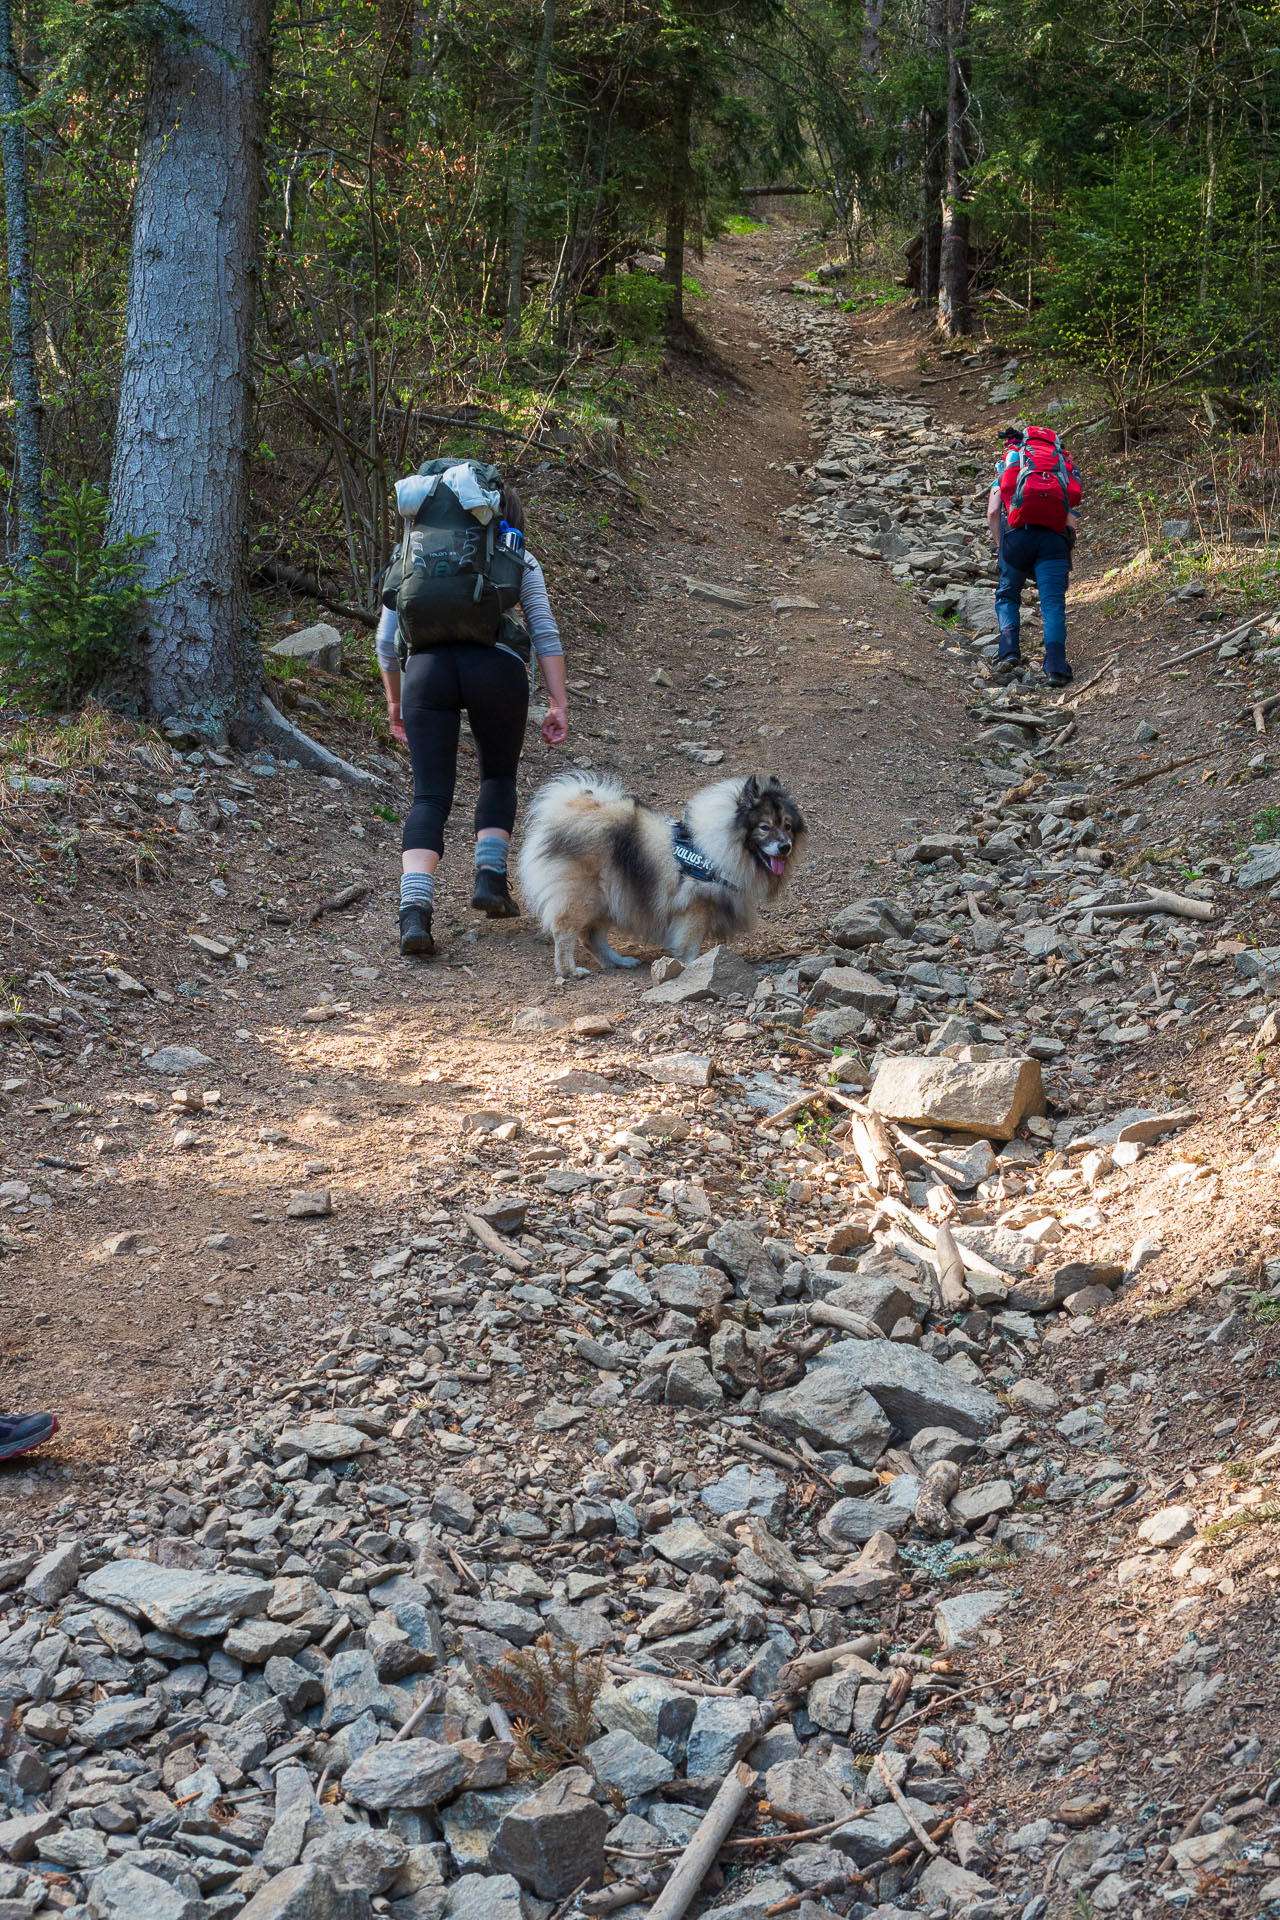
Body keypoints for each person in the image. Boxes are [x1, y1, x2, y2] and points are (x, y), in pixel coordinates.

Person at [377, 471, 568, 958]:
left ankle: (414, 913)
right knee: (497, 776)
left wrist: (395, 701)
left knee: (430, 795)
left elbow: (385, 642)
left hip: (426, 671)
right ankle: (490, 879)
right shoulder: (516, 555)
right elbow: (543, 630)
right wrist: (557, 701)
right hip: (496, 668)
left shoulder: (411, 557)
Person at [987, 424, 1082, 688]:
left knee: (1007, 594)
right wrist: (1068, 557)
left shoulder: (1014, 459)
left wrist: (1001, 547)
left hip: (1017, 537)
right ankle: (1055, 667)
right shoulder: (1060, 465)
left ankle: (1008, 652)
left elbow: (994, 512)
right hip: (1054, 541)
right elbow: (1070, 520)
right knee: (1052, 603)